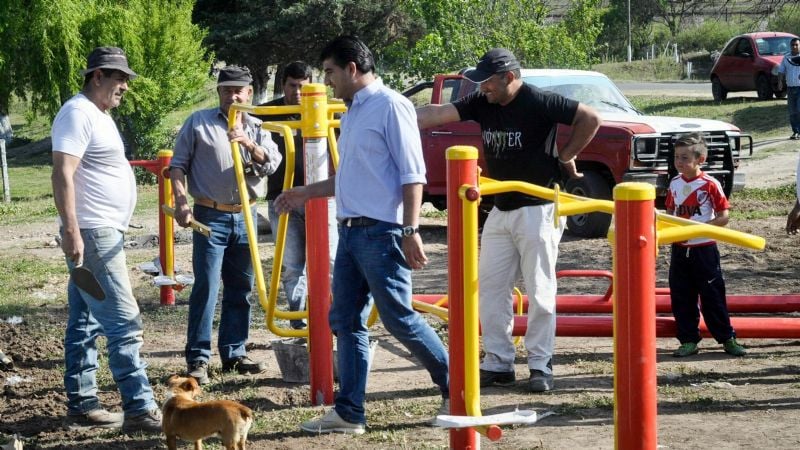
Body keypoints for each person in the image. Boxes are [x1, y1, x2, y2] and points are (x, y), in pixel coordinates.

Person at [274, 35, 449, 434]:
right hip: (352, 233)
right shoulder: (352, 112)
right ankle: (349, 412)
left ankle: (456, 387)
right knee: (345, 319)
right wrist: (305, 191)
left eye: (331, 72)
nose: (328, 81)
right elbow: (349, 179)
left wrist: (410, 229)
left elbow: (412, 174)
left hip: (383, 232)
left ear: (352, 68)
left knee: (398, 317)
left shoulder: (392, 106)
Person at [416, 48, 601, 392]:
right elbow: (436, 113)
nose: (480, 87)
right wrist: (388, 115)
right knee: (491, 289)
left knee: (540, 290)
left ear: (509, 77)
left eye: (486, 81)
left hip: (539, 206)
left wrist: (566, 155)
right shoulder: (482, 102)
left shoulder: (539, 101)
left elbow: (590, 118)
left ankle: (540, 364)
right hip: (500, 208)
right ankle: (498, 363)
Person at [51, 46, 162, 433]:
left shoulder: (98, 115)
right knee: (123, 321)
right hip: (92, 233)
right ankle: (140, 407)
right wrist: (71, 230)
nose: (125, 87)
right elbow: (62, 173)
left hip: (99, 232)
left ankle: (82, 403)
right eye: (120, 79)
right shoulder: (78, 113)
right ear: (97, 76)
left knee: (84, 322)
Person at [169, 65, 281, 385]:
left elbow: (272, 163)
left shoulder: (257, 125)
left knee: (241, 287)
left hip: (246, 216)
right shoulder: (198, 122)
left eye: (239, 90)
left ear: (249, 93)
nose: (233, 95)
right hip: (211, 215)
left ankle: (234, 352)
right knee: (206, 287)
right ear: (218, 92)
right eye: (226, 90)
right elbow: (178, 166)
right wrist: (181, 202)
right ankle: (198, 359)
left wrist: (247, 143)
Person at [255, 61, 338, 330]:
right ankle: (299, 317)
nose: (298, 93)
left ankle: (334, 314)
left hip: (321, 196)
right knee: (293, 263)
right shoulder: (269, 113)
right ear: (283, 85)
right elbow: (243, 121)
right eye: (293, 86)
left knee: (331, 258)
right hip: (284, 196)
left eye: (303, 86)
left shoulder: (326, 110)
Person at [665, 132, 746, 358]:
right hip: (680, 250)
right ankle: (689, 340)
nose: (679, 162)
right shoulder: (674, 183)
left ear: (700, 159)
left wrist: (701, 229)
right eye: (676, 157)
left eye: (684, 158)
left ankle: (727, 338)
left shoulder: (710, 184)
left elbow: (724, 216)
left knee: (712, 295)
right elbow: (670, 212)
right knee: (681, 295)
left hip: (704, 250)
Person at [776, 38, 800, 140]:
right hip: (790, 88)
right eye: (792, 45)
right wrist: (780, 81)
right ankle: (796, 132)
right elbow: (781, 70)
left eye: (796, 45)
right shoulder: (786, 57)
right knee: (792, 111)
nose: (794, 47)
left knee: (799, 110)